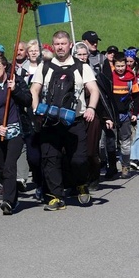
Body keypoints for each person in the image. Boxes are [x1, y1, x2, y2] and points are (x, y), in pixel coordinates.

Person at [30, 30, 100, 210]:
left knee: (78, 159)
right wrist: (36, 109)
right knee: (50, 159)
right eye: (57, 44)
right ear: (53, 46)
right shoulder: (44, 67)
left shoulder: (81, 66)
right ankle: (56, 196)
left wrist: (91, 108)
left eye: (63, 43)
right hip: (49, 121)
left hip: (74, 120)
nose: (60, 47)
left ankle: (81, 185)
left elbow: (94, 90)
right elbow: (34, 90)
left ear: (70, 45)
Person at [0, 51, 33, 215]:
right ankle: (13, 194)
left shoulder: (15, 79)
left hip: (16, 130)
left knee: (10, 165)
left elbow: (28, 100)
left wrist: (15, 90)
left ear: (4, 65)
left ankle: (8, 201)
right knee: (2, 169)